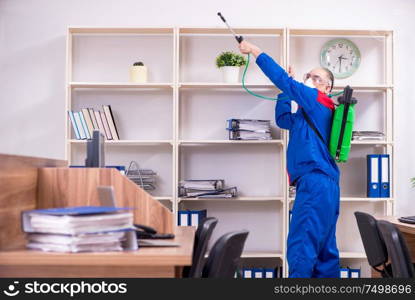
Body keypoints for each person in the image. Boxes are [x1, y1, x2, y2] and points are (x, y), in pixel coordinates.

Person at [238, 40, 340, 278]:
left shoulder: (318, 101)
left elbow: (282, 79)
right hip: (324, 185)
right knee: (324, 251)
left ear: (327, 87)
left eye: (316, 78)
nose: (310, 80)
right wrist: (287, 92)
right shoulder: (308, 114)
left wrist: (256, 51)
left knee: (302, 246)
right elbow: (284, 119)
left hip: (315, 183)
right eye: (308, 76)